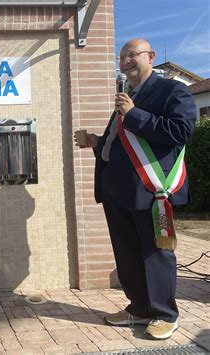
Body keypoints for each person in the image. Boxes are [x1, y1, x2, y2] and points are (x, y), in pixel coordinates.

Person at [75, 38, 196, 340]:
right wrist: (95, 142)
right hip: (118, 191)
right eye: (122, 57)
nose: (126, 61)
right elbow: (124, 145)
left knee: (156, 253)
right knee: (127, 254)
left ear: (151, 56)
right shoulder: (129, 96)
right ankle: (140, 308)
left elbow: (181, 131)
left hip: (150, 190)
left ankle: (166, 315)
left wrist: (134, 114)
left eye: (132, 54)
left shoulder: (172, 90)